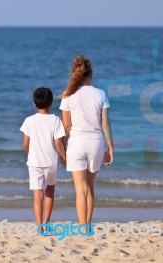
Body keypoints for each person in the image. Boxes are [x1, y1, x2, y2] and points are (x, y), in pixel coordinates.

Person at [59, 55, 114, 231]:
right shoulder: (101, 94)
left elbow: (66, 126)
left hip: (76, 143)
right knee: (90, 187)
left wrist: (62, 149)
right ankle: (88, 225)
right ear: (90, 75)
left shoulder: (68, 95)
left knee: (80, 189)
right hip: (96, 143)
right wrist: (110, 147)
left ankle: (82, 227)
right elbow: (105, 123)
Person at [20, 87, 66, 227]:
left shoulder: (29, 120)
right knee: (50, 192)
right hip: (50, 162)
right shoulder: (55, 120)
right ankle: (46, 222)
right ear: (51, 103)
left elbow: (25, 144)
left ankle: (39, 224)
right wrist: (64, 158)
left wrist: (31, 154)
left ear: (34, 103)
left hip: (34, 162)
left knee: (37, 195)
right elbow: (58, 143)